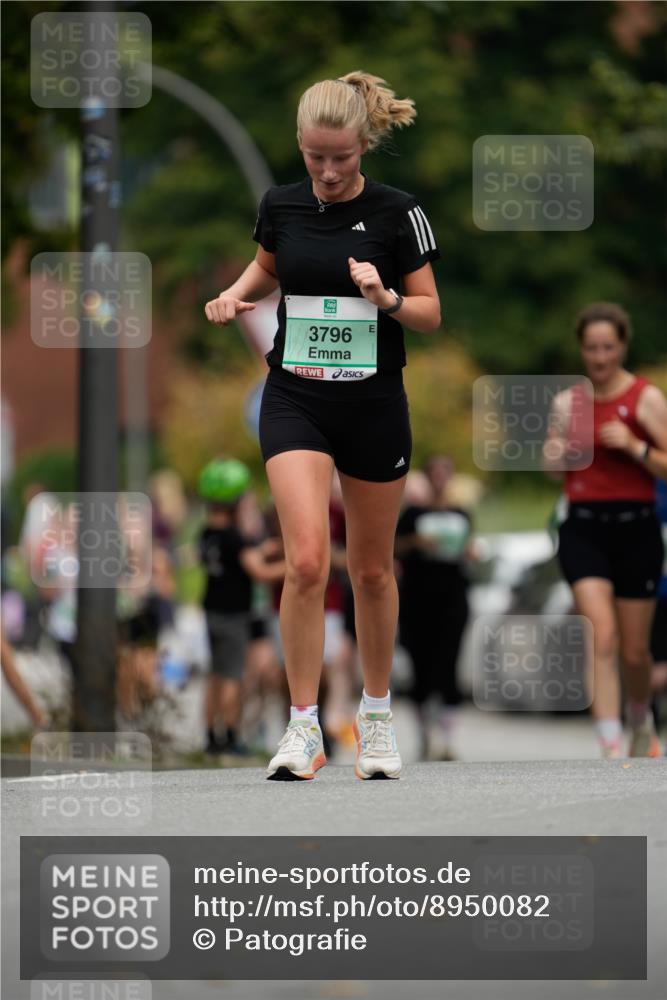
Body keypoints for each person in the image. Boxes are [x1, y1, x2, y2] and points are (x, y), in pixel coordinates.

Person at [204, 71, 441, 780]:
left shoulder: (401, 213)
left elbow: (430, 312)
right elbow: (266, 268)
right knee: (305, 560)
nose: (329, 172)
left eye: (341, 157)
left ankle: (373, 715)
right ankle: (301, 728)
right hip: (295, 399)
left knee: (369, 570)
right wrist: (234, 295)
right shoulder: (279, 205)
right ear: (301, 148)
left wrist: (386, 296)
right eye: (315, 158)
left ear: (363, 144)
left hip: (372, 404)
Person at [544, 303, 667, 758]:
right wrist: (560, 450)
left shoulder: (645, 398)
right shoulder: (568, 402)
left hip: (636, 528)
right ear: (582, 349)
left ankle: (639, 714)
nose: (599, 358)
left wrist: (635, 446)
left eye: (608, 348)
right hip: (584, 528)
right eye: (592, 348)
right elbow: (551, 469)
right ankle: (609, 740)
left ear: (622, 347)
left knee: (635, 651)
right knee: (600, 634)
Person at [198, 459, 286, 755]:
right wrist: (293, 566)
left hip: (212, 612)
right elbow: (258, 571)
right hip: (235, 615)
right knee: (233, 676)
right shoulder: (236, 537)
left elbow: (237, 559)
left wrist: (261, 549)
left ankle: (211, 736)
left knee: (215, 675)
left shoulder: (207, 533)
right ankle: (232, 736)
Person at [396, 456, 473, 760]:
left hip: (452, 595)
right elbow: (393, 546)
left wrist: (469, 552)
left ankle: (447, 737)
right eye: (435, 473)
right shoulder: (412, 514)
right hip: (417, 597)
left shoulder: (462, 514)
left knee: (449, 664)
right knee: (420, 666)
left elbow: (468, 547)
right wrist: (416, 542)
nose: (441, 478)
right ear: (427, 477)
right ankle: (425, 734)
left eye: (446, 472)